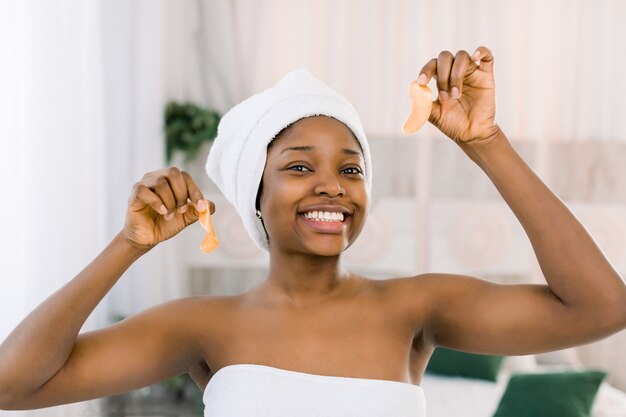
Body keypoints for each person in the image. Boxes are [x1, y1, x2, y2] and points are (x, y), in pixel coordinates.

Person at [1, 46, 625, 416]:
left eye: (351, 169)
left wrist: (486, 143)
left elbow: (601, 307)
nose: (332, 185)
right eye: (299, 166)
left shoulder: (416, 307)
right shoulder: (200, 325)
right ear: (257, 192)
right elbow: (14, 384)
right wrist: (128, 246)